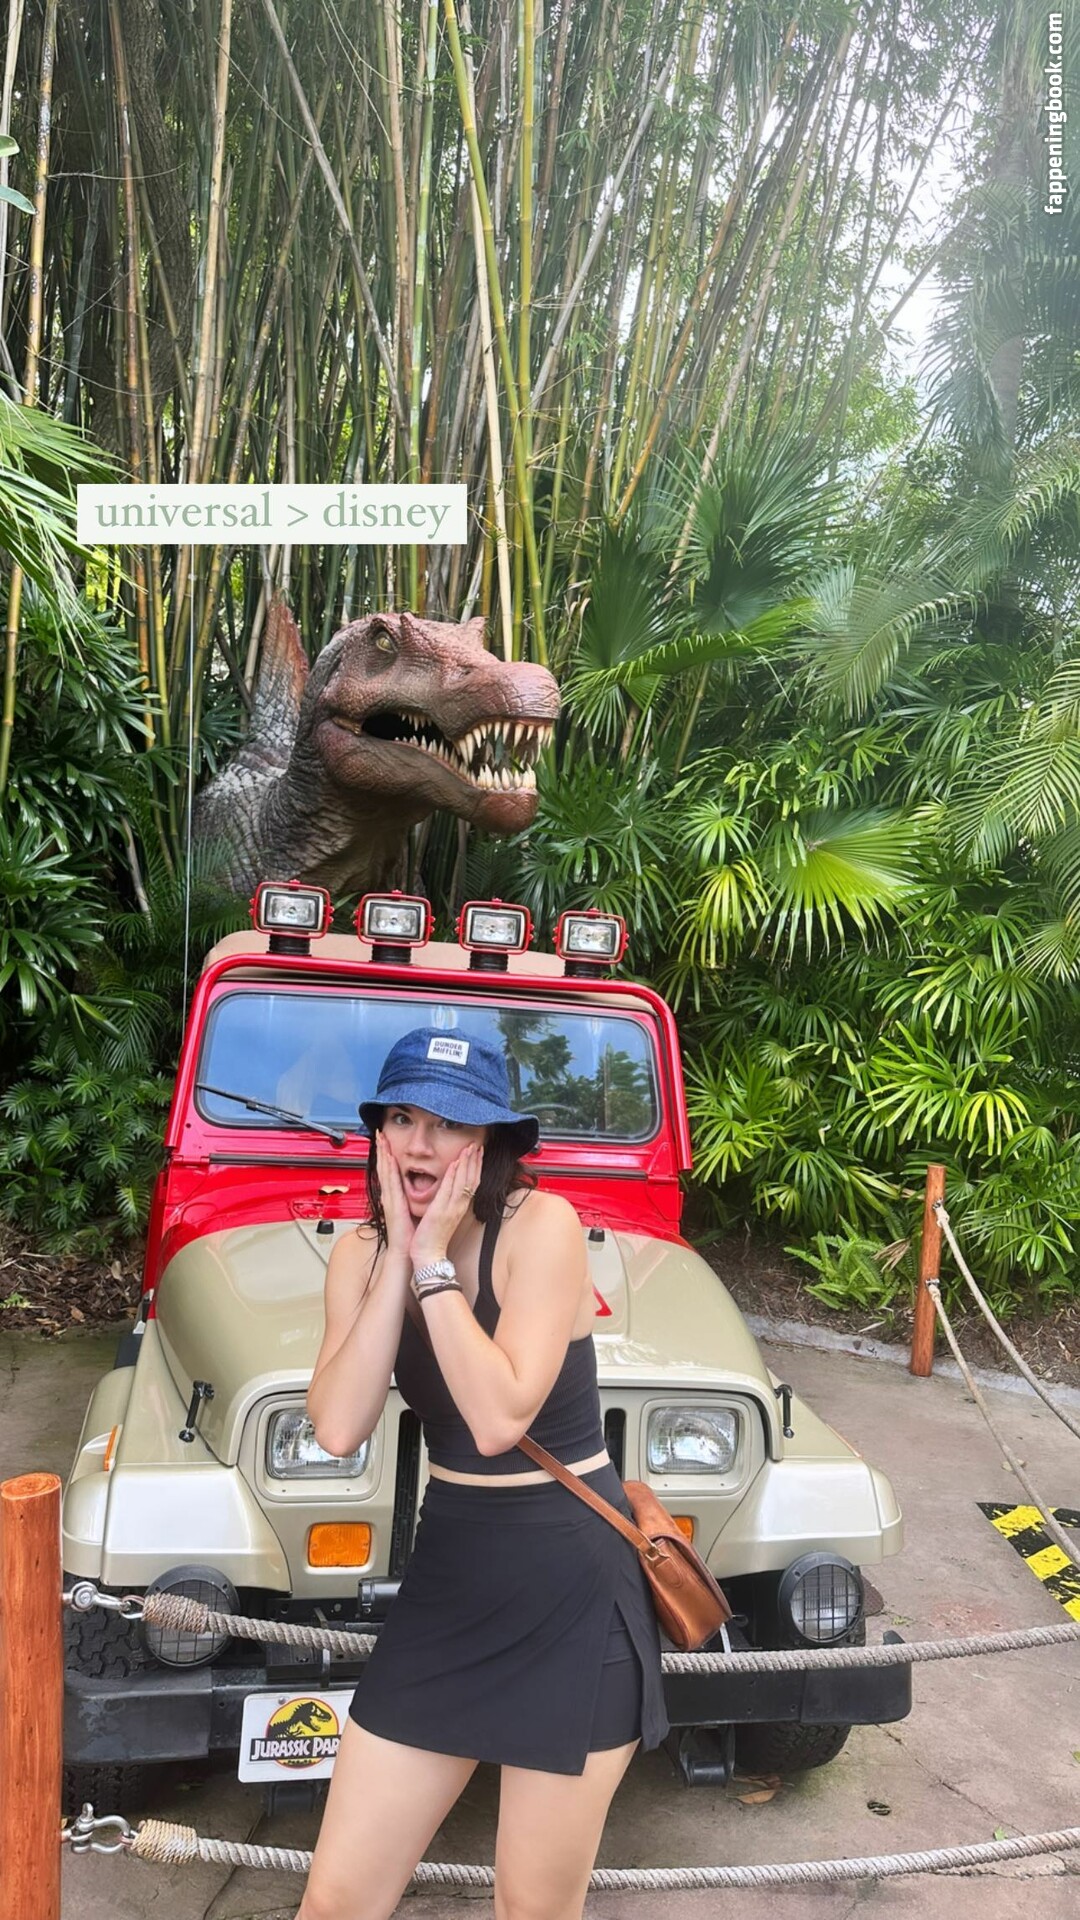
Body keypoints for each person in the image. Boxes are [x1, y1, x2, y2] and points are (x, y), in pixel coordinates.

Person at [297, 1026, 667, 1920]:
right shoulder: (358, 1252)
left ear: (490, 1141)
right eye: (403, 1119)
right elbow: (339, 1426)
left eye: (450, 1124)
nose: (421, 1144)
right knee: (338, 1900)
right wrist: (397, 1252)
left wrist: (433, 1265)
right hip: (452, 1581)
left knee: (531, 1907)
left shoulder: (542, 1227)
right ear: (378, 1134)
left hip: (572, 1589)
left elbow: (500, 1419)